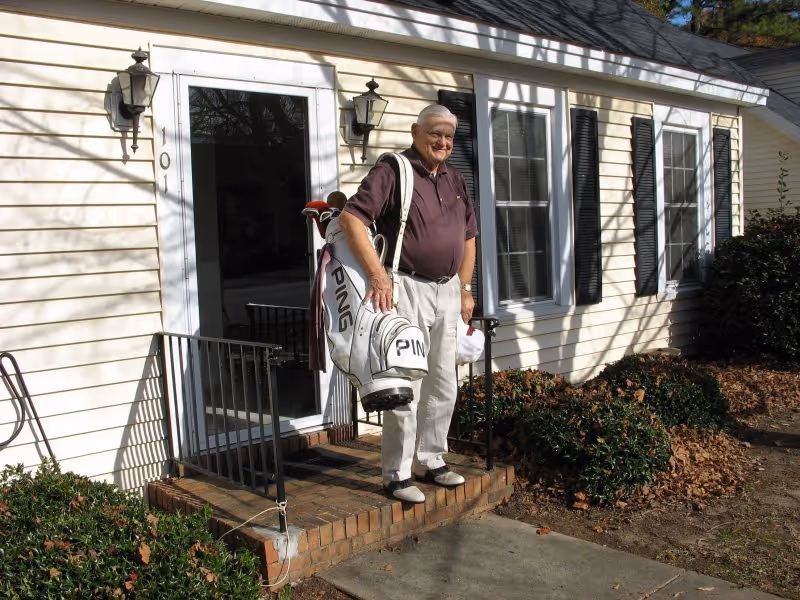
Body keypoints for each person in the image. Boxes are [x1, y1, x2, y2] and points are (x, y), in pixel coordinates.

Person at [339, 104, 478, 503]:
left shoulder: (454, 179)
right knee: (405, 381)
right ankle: (397, 474)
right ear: (416, 131)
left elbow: (469, 236)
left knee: (444, 381)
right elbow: (352, 220)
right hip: (407, 287)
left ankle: (431, 459)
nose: (443, 142)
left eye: (449, 136)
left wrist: (465, 287)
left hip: (448, 290)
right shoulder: (394, 170)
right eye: (435, 133)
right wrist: (378, 275)